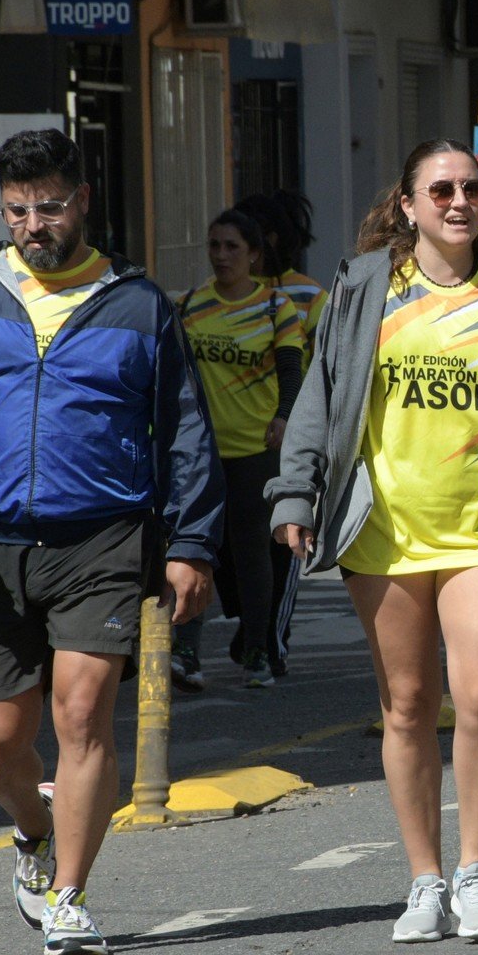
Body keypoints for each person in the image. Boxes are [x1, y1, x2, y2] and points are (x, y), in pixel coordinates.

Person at [268, 137, 478, 943]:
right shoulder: (364, 287)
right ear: (407, 204)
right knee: (407, 705)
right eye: (440, 189)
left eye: (470, 188)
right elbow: (323, 395)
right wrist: (294, 490)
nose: (458, 201)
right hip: (384, 528)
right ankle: (424, 879)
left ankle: (476, 868)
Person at [0, 128, 222, 955]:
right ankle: (34, 830)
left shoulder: (139, 303)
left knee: (82, 714)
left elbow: (187, 431)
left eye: (48, 206)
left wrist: (191, 542)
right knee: (0, 741)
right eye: (17, 210)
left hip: (104, 537)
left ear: (82, 201)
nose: (33, 224)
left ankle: (70, 895)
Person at [178, 208, 305, 689]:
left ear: (254, 254)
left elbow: (291, 371)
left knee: (252, 553)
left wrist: (284, 416)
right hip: (201, 452)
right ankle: (186, 652)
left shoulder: (276, 306)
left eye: (233, 247)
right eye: (215, 245)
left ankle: (256, 651)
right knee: (195, 549)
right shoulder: (191, 305)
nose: (222, 255)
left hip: (256, 449)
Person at [220, 192, 330, 680]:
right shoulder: (216, 298)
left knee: (282, 544)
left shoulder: (308, 297)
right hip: (238, 440)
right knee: (239, 545)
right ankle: (255, 626)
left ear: (267, 243)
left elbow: (330, 367)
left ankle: (271, 639)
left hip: (290, 437)